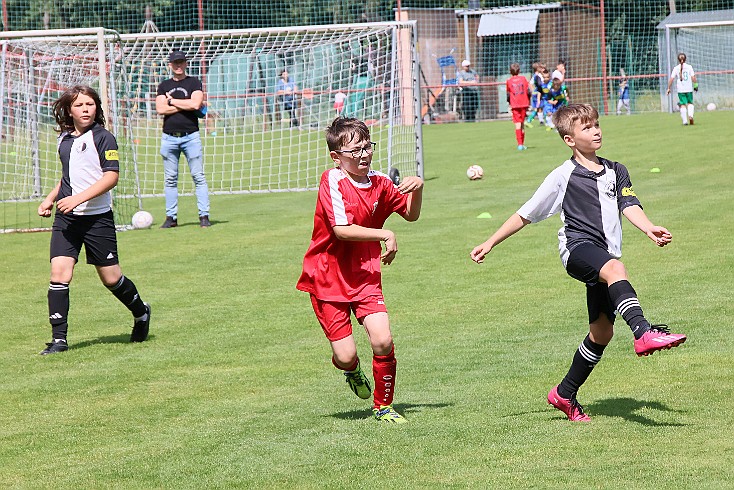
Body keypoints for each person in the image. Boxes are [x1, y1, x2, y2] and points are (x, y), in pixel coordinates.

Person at [470, 103, 686, 422]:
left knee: (601, 333)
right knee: (615, 270)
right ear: (570, 139)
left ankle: (564, 393)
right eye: (586, 127)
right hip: (577, 250)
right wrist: (490, 241)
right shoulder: (563, 176)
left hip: (604, 256)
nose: (596, 130)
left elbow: (629, 204)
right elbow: (525, 213)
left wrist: (649, 227)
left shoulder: (616, 170)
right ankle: (642, 331)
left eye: (596, 124)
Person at [296, 117, 424, 423]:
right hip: (327, 277)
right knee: (346, 356)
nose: (364, 154)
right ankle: (351, 372)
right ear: (336, 157)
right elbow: (341, 230)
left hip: (366, 276)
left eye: (367, 147)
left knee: (382, 341)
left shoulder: (380, 181)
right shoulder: (332, 181)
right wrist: (384, 234)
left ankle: (383, 407)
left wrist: (417, 188)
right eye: (355, 151)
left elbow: (410, 214)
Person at [37, 85, 151, 355]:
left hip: (96, 219)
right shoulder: (64, 139)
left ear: (97, 108)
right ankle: (59, 340)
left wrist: (77, 199)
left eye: (90, 104)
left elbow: (111, 177)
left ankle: (141, 313)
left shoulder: (104, 138)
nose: (85, 109)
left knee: (111, 278)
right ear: (69, 110)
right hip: (66, 220)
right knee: (59, 273)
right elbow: (68, 176)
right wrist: (51, 198)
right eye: (79, 105)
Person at [156, 49, 211, 228]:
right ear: (170, 65)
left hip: (191, 136)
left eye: (181, 62)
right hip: (169, 137)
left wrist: (172, 102)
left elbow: (196, 103)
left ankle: (204, 216)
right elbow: (161, 109)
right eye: (175, 62)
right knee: (170, 179)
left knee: (198, 176)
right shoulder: (164, 85)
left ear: (186, 63)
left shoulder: (194, 82)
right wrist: (184, 105)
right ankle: (171, 217)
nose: (178, 65)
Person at [666, 53, 697, 125]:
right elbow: (693, 77)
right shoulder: (689, 67)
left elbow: (671, 79)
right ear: (685, 59)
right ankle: (690, 116)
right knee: (690, 103)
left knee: (682, 104)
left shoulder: (676, 68)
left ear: (678, 60)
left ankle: (685, 121)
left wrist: (668, 88)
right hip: (688, 88)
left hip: (680, 89)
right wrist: (695, 85)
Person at [506, 63, 531, 150]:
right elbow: (528, 91)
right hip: (524, 103)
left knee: (517, 124)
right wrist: (529, 101)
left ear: (510, 71)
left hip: (515, 105)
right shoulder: (523, 79)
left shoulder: (509, 81)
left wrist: (509, 103)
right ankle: (522, 143)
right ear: (519, 71)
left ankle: (520, 144)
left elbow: (508, 94)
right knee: (522, 124)